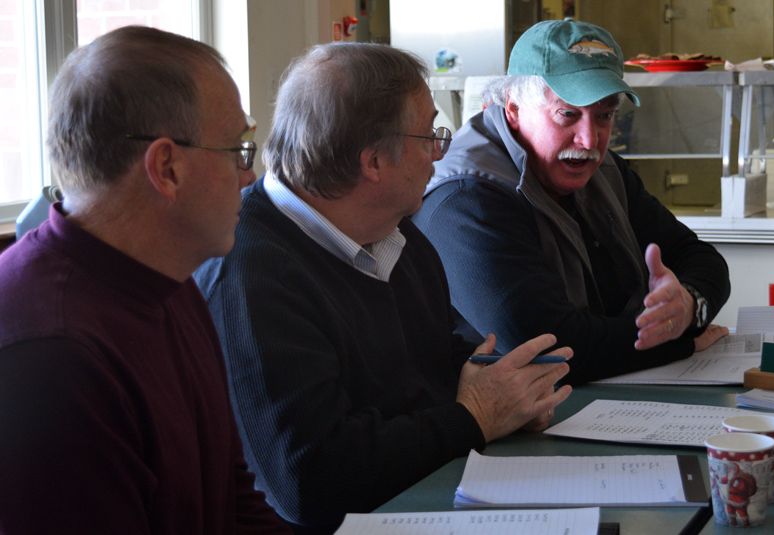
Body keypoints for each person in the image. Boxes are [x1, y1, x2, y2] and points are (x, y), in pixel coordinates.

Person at [193, 42, 573, 535]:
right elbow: (309, 481)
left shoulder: (395, 232)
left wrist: (511, 394)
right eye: (430, 135)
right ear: (372, 163)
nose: (442, 152)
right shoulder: (248, 273)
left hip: (423, 500)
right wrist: (475, 417)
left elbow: (437, 354)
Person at [0, 26, 290, 535]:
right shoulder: (48, 354)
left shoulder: (170, 278)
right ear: (166, 167)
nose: (251, 176)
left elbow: (233, 501)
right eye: (238, 150)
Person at [412, 19, 731, 385]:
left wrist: (688, 306)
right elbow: (548, 345)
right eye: (568, 114)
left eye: (605, 116)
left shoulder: (605, 171)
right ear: (513, 109)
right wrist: (679, 339)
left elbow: (701, 258)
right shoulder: (466, 199)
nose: (589, 140)